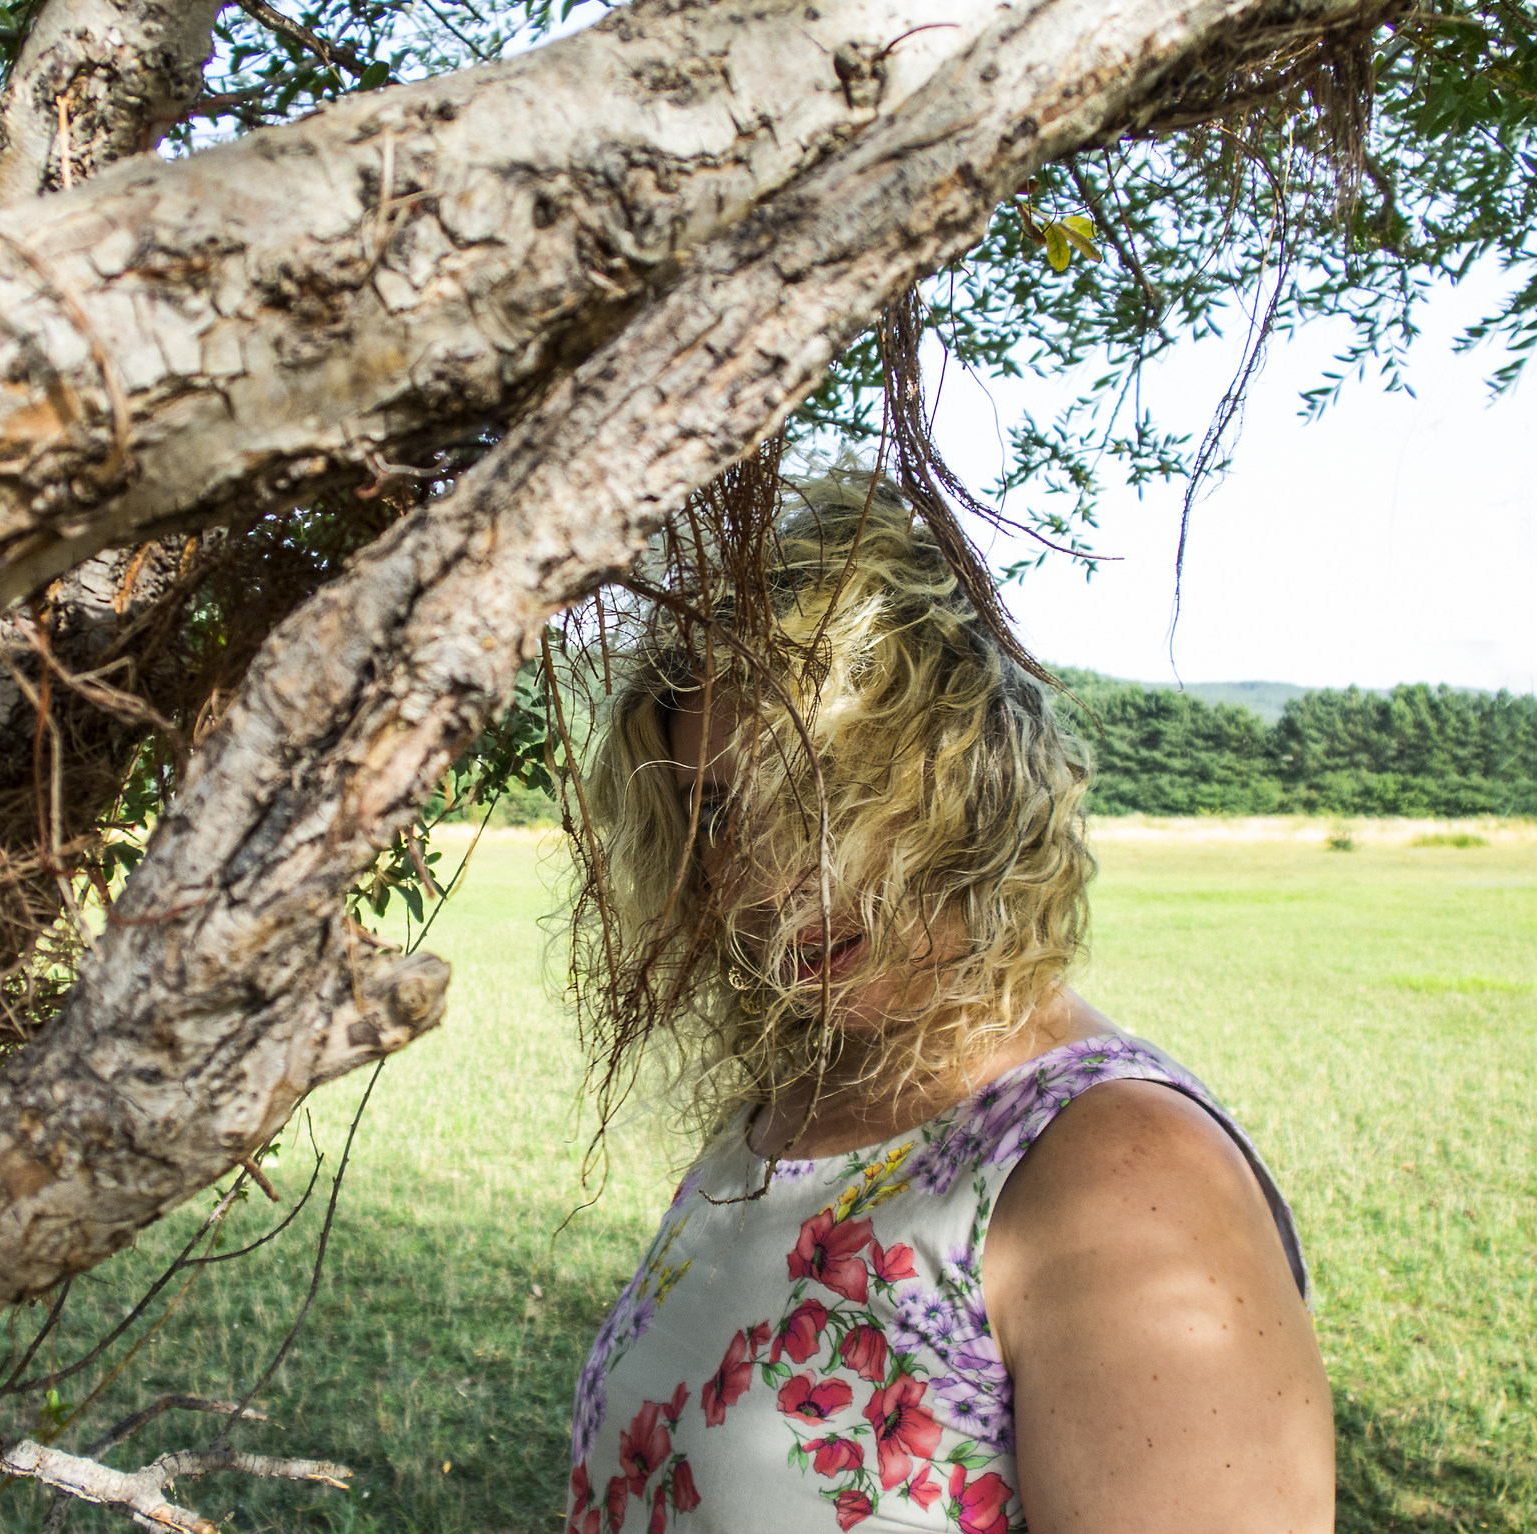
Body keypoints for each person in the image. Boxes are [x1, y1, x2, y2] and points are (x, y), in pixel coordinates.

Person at [561, 470, 1331, 1534]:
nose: (771, 876)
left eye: (823, 791)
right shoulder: (789, 1111)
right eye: (720, 811)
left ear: (968, 780)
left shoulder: (1124, 1173)